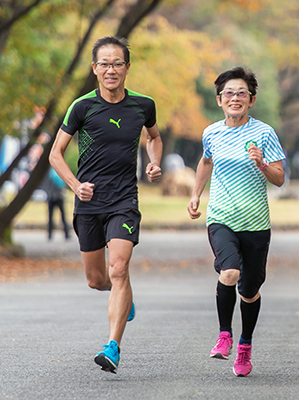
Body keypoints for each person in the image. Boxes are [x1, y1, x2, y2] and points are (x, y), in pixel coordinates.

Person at [50, 36, 163, 373]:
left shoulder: (143, 105)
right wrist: (75, 185)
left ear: (127, 67)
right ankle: (123, 296)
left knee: (118, 268)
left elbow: (154, 137)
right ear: (95, 69)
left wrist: (154, 161)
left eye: (117, 63)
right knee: (97, 280)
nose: (111, 69)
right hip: (89, 203)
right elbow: (55, 154)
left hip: (124, 200)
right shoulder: (82, 106)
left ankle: (112, 347)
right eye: (105, 64)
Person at [187, 67, 285, 377]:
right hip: (221, 217)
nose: (235, 98)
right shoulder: (211, 133)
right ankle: (224, 335)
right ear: (219, 99)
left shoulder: (265, 133)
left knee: (250, 291)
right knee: (229, 272)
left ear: (251, 100)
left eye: (242, 93)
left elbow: (280, 179)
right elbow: (206, 162)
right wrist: (195, 195)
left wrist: (262, 163)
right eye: (229, 93)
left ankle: (245, 346)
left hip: (256, 223)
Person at [46, 167, 70, 240]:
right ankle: (66, 234)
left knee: (50, 216)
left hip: (51, 196)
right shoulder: (59, 172)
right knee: (62, 216)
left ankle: (50, 234)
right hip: (59, 196)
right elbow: (62, 184)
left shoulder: (49, 172)